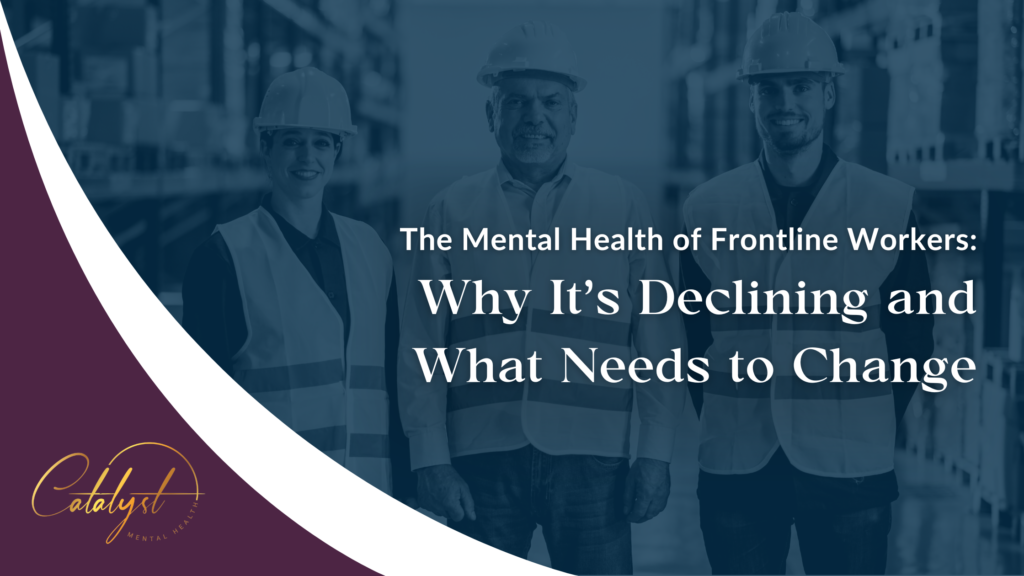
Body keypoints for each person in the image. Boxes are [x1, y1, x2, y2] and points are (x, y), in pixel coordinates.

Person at [398, 21, 684, 575]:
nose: (535, 118)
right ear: (491, 116)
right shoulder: (449, 211)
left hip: (592, 465)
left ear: (573, 116)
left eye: (551, 102)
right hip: (480, 462)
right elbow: (421, 349)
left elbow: (659, 345)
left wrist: (655, 452)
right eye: (517, 103)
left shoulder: (622, 206)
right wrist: (429, 459)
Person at [678, 12, 935, 575]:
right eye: (768, 88)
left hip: (850, 470)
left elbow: (913, 340)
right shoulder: (707, 209)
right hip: (738, 464)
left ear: (829, 93)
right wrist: (727, 415)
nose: (784, 102)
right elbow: (691, 342)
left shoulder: (887, 208)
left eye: (800, 86)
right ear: (750, 98)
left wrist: (866, 422)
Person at [182, 67, 413, 504]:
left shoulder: (370, 250)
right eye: (292, 141)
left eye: (321, 142)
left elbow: (392, 381)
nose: (308, 157)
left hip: (370, 498)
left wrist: (405, 492)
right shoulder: (223, 257)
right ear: (265, 147)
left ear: (338, 151)